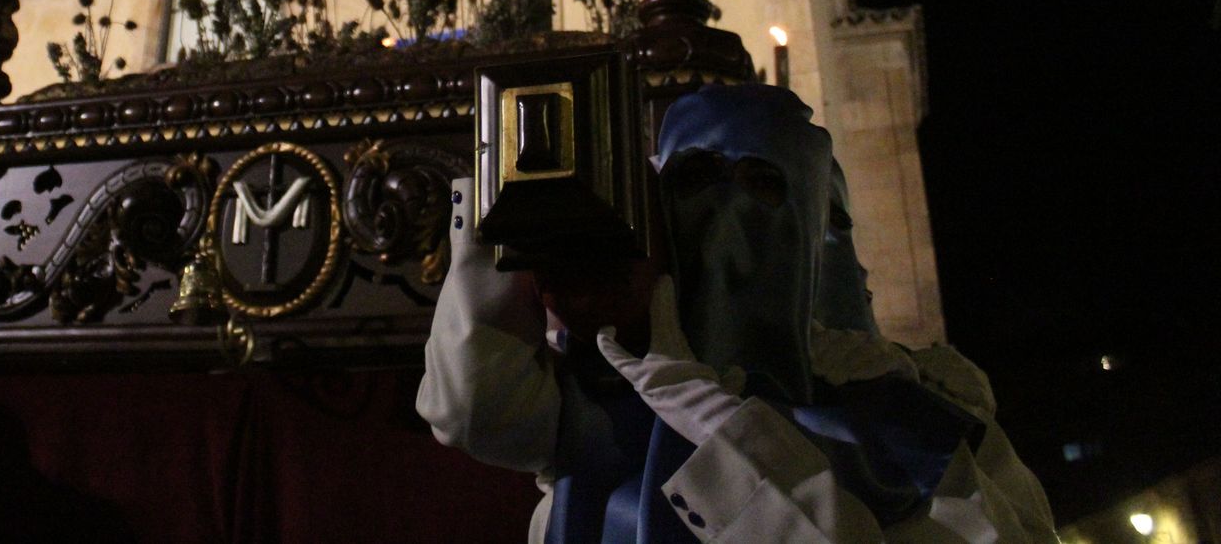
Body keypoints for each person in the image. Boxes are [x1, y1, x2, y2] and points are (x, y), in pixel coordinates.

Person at [417, 84, 1057, 541]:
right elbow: (470, 405)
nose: (729, 216)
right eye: (696, 183)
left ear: (809, 217)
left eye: (762, 184)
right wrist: (512, 196)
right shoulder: (609, 379)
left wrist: (717, 421)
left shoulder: (907, 417)